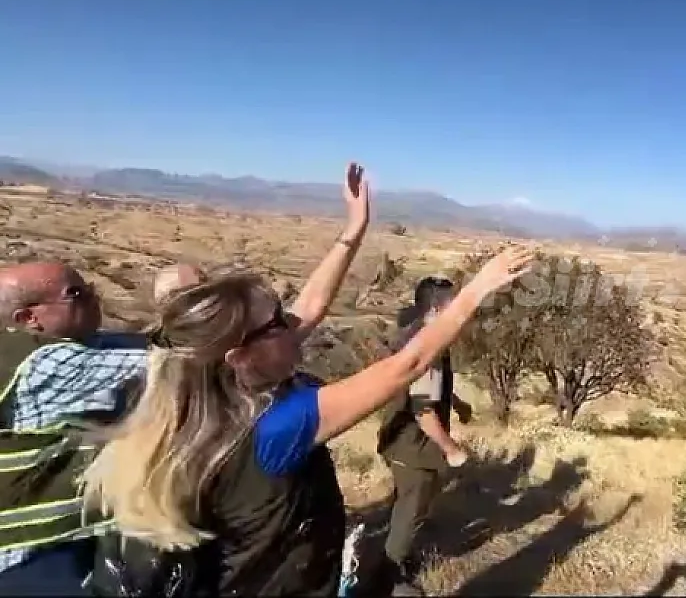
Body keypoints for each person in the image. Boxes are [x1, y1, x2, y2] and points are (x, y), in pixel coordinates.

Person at [80, 246, 532, 597]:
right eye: (277, 322)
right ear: (239, 357)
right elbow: (405, 365)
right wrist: (478, 289)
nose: (292, 322)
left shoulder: (191, 403)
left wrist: (352, 233)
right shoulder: (274, 428)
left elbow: (311, 306)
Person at [0, 261, 148, 594]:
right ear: (28, 319)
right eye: (76, 294)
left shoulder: (54, 347)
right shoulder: (45, 364)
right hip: (38, 554)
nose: (94, 296)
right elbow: (180, 367)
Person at [374, 276, 476, 595]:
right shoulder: (426, 346)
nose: (460, 309)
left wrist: (456, 403)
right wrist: (451, 448)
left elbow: (428, 391)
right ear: (435, 308)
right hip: (412, 445)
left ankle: (391, 552)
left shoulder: (423, 334)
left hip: (404, 441)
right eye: (453, 303)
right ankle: (391, 578)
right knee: (411, 507)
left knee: (406, 503)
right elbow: (422, 409)